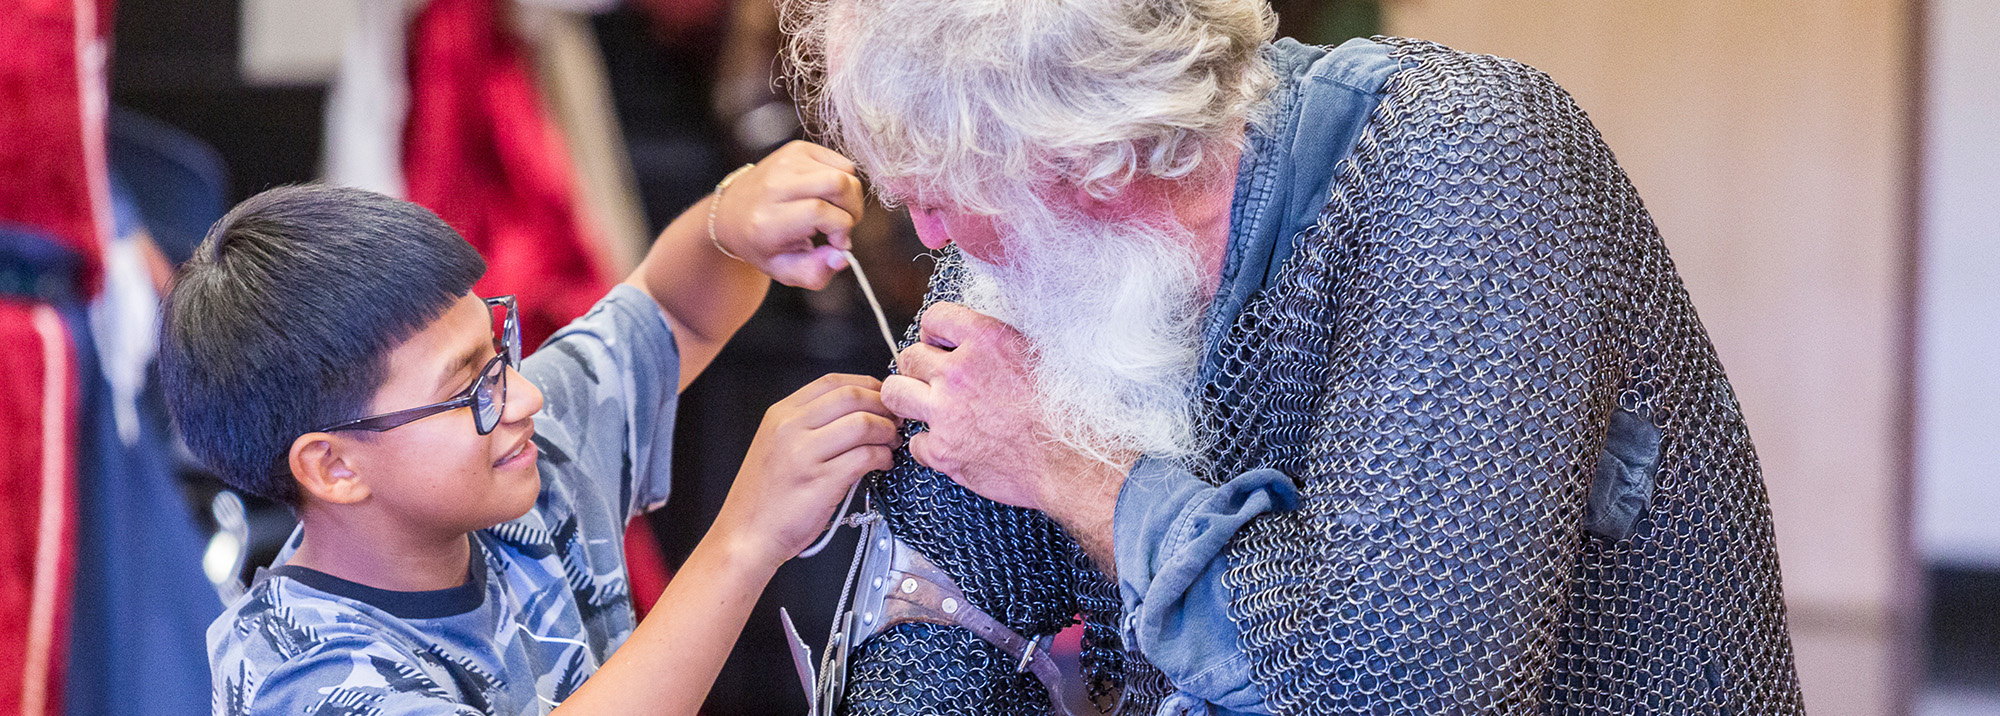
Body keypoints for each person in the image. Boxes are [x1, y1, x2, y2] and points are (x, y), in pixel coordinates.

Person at [780, 1, 1806, 714]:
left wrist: (1065, 470)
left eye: (946, 179)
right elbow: (947, 603)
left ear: (1088, 154)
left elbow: (1393, 685)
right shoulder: (1027, 248)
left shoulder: (1464, 171)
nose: (923, 223)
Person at [160, 141, 898, 716]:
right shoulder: (299, 672)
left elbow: (672, 312)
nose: (522, 400)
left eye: (499, 349)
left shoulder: (514, 463)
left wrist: (731, 224)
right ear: (333, 468)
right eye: (468, 386)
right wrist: (747, 539)